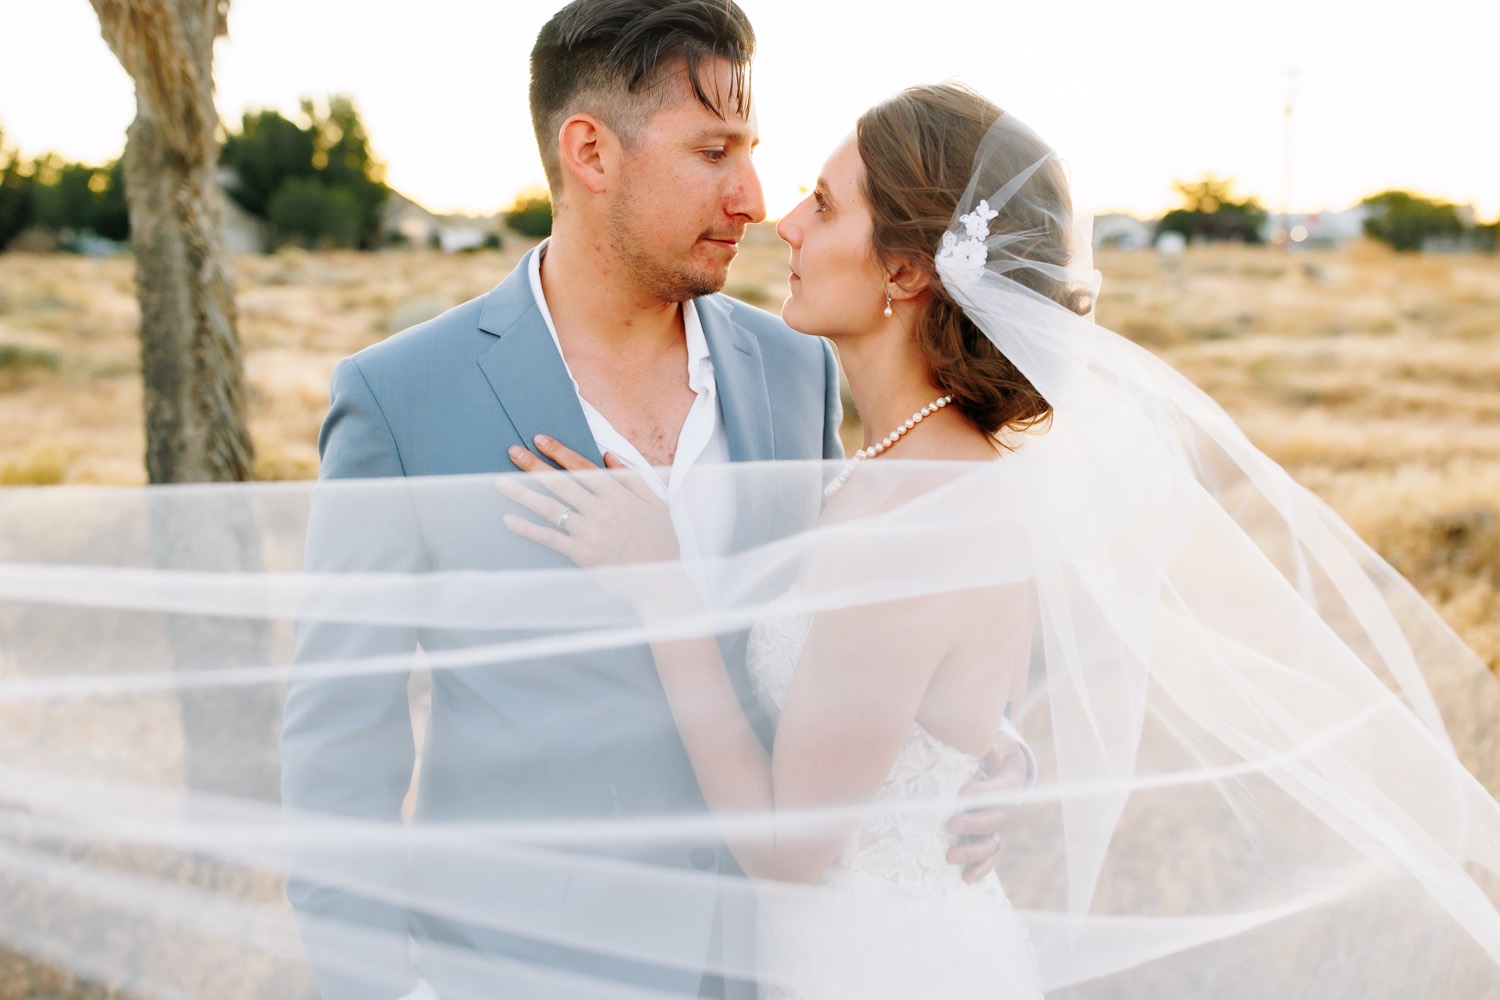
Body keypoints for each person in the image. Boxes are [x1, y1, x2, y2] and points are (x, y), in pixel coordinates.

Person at [499, 81, 1500, 998]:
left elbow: (789, 847)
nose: (783, 219)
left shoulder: (919, 509)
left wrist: (667, 594)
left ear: (907, 267)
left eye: (825, 202)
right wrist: (985, 738)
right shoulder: (895, 464)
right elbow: (929, 685)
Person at [279, 4, 1014, 998]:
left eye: (750, 151)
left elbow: (860, 628)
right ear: (590, 151)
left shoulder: (796, 369)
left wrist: (982, 751)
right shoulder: (402, 399)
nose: (752, 197)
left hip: (775, 963)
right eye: (713, 151)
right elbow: (339, 756)